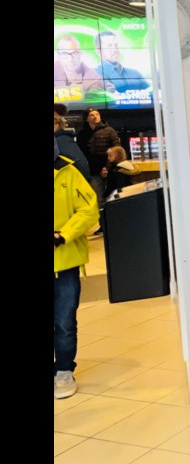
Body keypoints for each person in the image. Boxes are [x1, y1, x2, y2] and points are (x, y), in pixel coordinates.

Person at [54, 138, 100, 398]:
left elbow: (88, 209)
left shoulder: (68, 172)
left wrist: (62, 235)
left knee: (63, 321)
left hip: (64, 261)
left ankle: (63, 371)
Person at [76, 109, 121, 214]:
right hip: (91, 171)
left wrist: (107, 167)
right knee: (97, 196)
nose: (95, 116)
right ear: (87, 118)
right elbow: (80, 152)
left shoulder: (109, 131)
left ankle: (109, 219)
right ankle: (101, 222)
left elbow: (117, 149)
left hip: (109, 169)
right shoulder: (82, 133)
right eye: (92, 115)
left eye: (97, 114)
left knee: (111, 195)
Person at [94, 30, 150, 96]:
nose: (115, 49)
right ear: (98, 51)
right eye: (109, 46)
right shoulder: (94, 76)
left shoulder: (135, 74)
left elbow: (152, 95)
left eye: (116, 45)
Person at [53, 34, 104, 101]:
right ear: (58, 55)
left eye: (74, 53)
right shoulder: (55, 67)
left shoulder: (93, 79)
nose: (70, 59)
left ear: (81, 53)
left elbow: (93, 105)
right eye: (64, 54)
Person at [54, 112, 90, 181]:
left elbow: (79, 163)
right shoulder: (63, 139)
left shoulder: (60, 140)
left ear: (56, 124)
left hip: (71, 182)